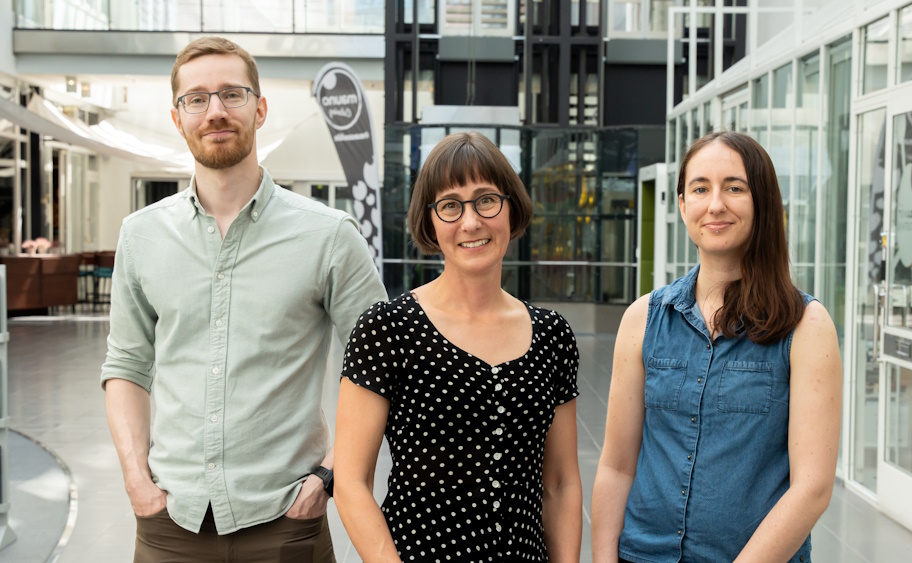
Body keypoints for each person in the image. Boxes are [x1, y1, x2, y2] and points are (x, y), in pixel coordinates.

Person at [101, 37, 387, 562]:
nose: (215, 111)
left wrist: (329, 476)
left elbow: (381, 367)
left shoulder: (328, 235)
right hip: (170, 523)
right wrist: (136, 479)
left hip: (285, 522)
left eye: (232, 94)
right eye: (197, 99)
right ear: (178, 118)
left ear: (259, 109)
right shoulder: (141, 235)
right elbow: (126, 365)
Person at [591, 131, 841, 563]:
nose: (716, 204)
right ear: (682, 204)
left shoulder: (806, 325)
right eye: (700, 189)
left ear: (763, 202)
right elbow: (616, 466)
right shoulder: (643, 319)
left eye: (734, 188)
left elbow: (812, 489)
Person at [333, 132, 583, 562]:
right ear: (430, 221)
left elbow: (560, 484)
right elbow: (351, 482)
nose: (471, 222)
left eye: (486, 200)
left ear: (511, 208)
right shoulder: (388, 329)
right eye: (450, 205)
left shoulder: (552, 336)